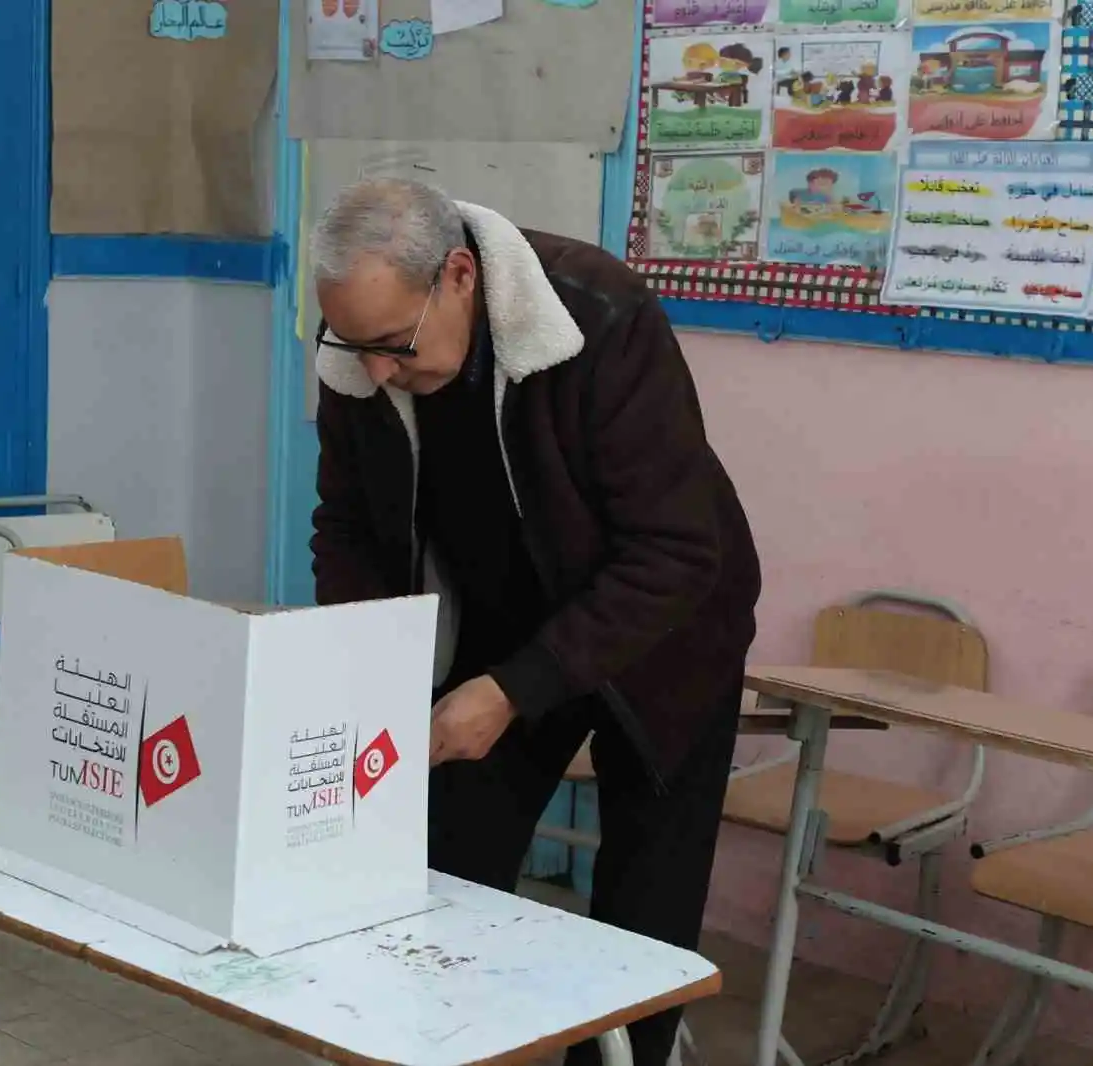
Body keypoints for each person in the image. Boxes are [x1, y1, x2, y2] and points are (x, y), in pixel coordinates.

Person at [307, 178, 761, 1066]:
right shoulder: (361, 350)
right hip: (504, 622)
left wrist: (516, 689)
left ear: (461, 276)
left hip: (667, 628)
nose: (375, 373)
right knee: (434, 865)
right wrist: (371, 662)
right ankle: (429, 1046)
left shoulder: (602, 315)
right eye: (351, 346)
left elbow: (674, 551)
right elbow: (348, 527)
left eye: (394, 346)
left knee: (643, 915)